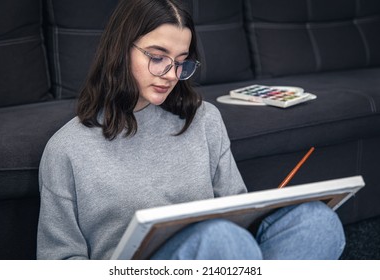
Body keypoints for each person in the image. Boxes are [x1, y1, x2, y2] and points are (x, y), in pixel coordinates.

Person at [37, 0, 345, 260]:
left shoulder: (204, 119)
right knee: (220, 239)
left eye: (181, 62)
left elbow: (236, 211)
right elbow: (60, 260)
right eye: (157, 58)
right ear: (120, 50)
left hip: (222, 255)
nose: (171, 75)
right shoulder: (67, 148)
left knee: (317, 222)